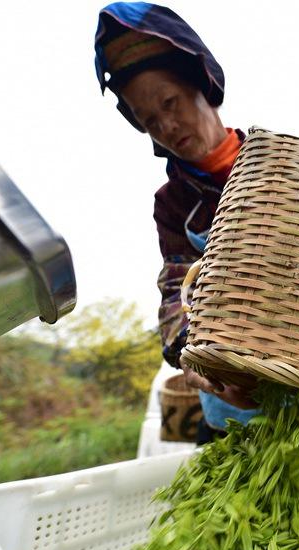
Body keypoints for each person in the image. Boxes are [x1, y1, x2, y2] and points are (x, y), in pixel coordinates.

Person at [93, 2, 258, 441]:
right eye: (149, 121)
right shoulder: (173, 203)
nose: (166, 125)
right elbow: (176, 284)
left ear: (202, 85)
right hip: (225, 399)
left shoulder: (274, 164)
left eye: (171, 102)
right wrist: (190, 352)